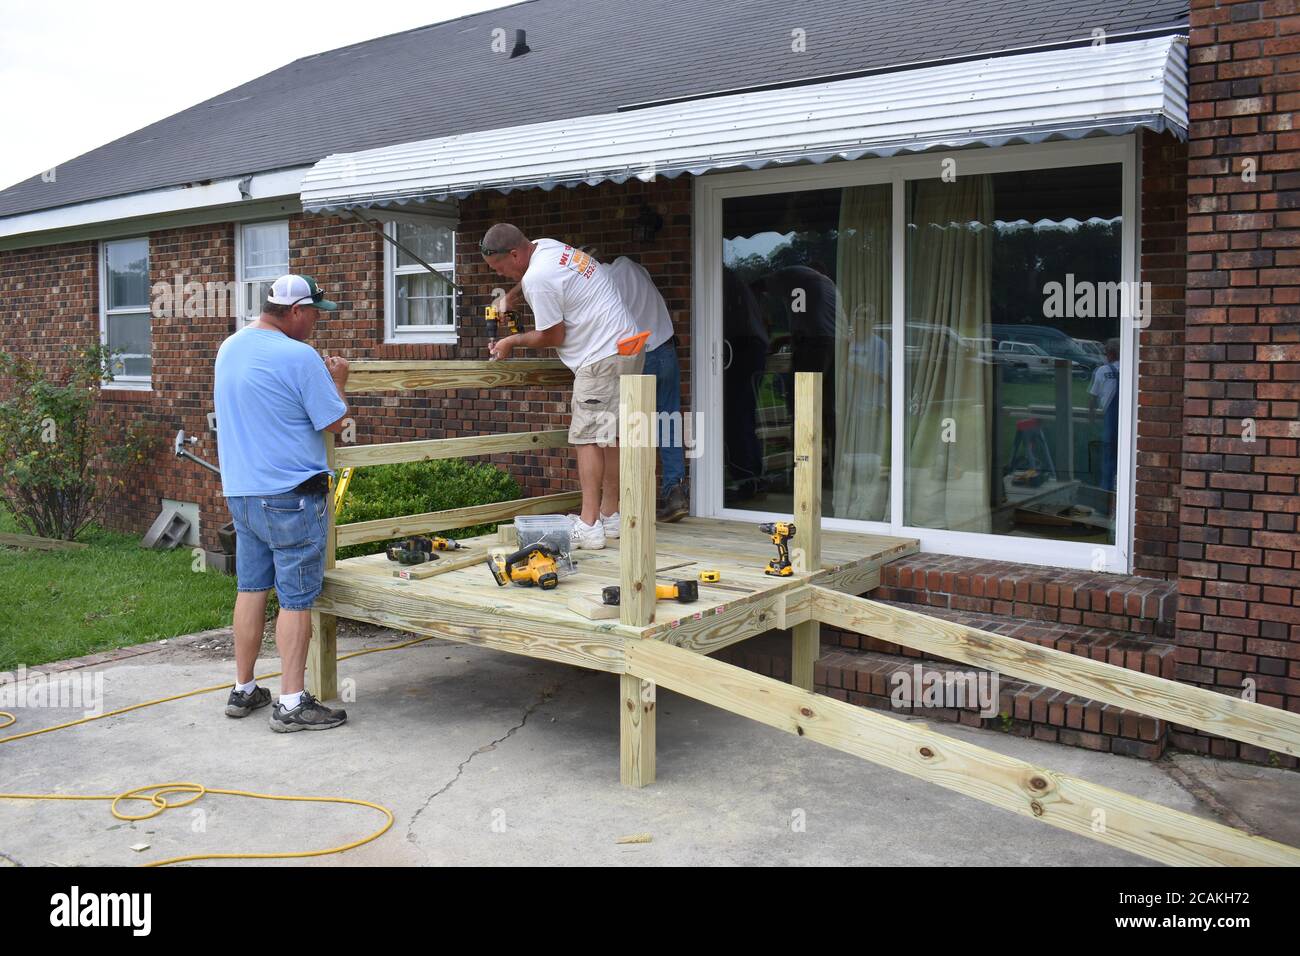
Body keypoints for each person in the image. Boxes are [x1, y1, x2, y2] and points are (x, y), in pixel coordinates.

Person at [213, 275, 351, 732]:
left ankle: (244, 688)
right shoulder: (300, 356)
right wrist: (339, 382)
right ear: (295, 311)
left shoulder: (229, 346)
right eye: (314, 312)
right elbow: (336, 422)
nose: (316, 321)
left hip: (242, 494)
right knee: (296, 599)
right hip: (292, 496)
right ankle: (292, 702)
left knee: (251, 589)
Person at [481, 224, 642, 549]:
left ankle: (588, 524)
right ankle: (610, 516)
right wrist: (510, 298)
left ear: (515, 254)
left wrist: (511, 341)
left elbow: (553, 336)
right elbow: (528, 279)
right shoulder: (546, 247)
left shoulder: (540, 279)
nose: (500, 275)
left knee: (587, 439)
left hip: (601, 357)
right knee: (611, 437)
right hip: (627, 345)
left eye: (500, 268)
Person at [605, 255, 687, 522]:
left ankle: (636, 502)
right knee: (668, 422)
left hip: (640, 353)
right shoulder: (635, 269)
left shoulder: (605, 279)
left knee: (633, 428)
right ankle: (675, 494)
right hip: (666, 349)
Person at [1088, 337, 1121, 500]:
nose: (1105, 354)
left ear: (1111, 353)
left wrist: (1091, 418)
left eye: (1106, 351)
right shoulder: (1130, 368)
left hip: (1109, 423)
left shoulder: (1102, 371)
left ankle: (1105, 497)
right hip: (1124, 423)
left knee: (1108, 459)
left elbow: (1093, 398)